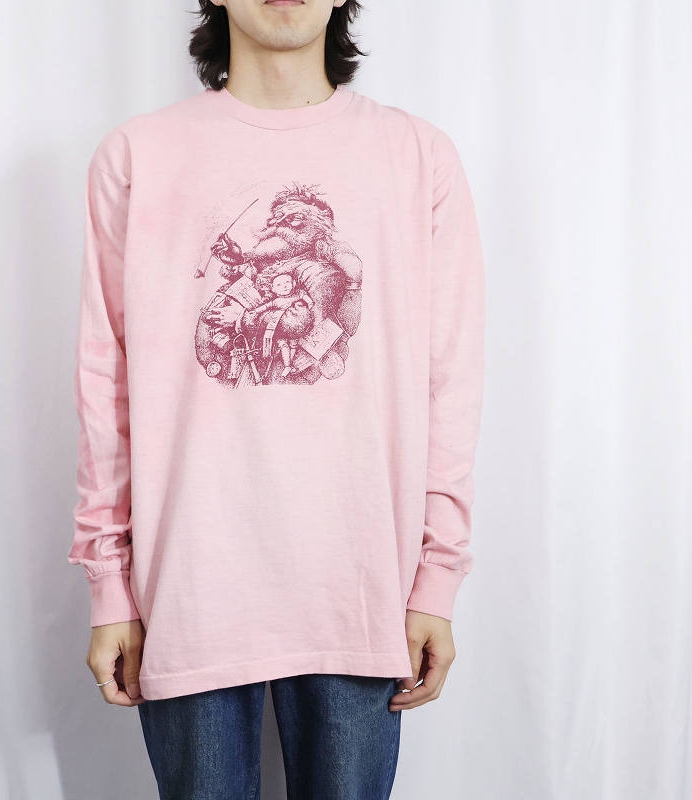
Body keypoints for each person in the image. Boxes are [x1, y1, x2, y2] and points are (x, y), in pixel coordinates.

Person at [67, 0, 486, 797]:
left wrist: (438, 574)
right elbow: (103, 384)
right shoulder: (138, 157)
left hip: (361, 586)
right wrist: (110, 582)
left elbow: (450, 384)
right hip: (188, 585)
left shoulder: (416, 158)